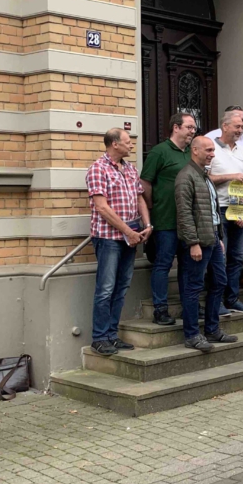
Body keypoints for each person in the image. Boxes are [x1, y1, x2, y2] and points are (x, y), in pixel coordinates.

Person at [86, 128, 152, 355]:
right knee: (105, 289)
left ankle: (112, 335)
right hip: (109, 238)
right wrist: (128, 231)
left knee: (121, 288)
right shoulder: (98, 169)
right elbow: (102, 207)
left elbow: (140, 198)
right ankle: (99, 337)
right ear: (114, 144)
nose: (132, 145)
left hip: (131, 238)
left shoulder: (131, 169)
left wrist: (148, 225)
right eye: (127, 142)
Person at [174, 136, 238, 352]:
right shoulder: (186, 177)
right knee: (193, 288)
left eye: (213, 150)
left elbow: (212, 211)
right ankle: (192, 335)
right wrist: (193, 243)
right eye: (208, 150)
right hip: (197, 244)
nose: (212, 153)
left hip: (212, 241)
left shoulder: (204, 176)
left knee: (220, 281)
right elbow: (183, 214)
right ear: (195, 150)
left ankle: (212, 329)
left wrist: (219, 237)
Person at [140, 113, 195, 326]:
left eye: (193, 128)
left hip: (188, 221)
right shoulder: (159, 152)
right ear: (176, 127)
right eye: (189, 127)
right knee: (163, 264)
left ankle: (188, 305)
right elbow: (145, 183)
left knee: (187, 265)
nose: (192, 131)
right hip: (165, 220)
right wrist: (153, 208)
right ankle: (160, 309)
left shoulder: (191, 152)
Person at [206, 105, 243, 289]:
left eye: (242, 127)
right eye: (236, 126)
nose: (240, 130)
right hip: (219, 209)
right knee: (219, 256)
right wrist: (231, 177)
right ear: (225, 125)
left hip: (239, 210)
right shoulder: (211, 149)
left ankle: (233, 297)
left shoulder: (242, 150)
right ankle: (217, 300)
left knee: (237, 256)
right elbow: (205, 180)